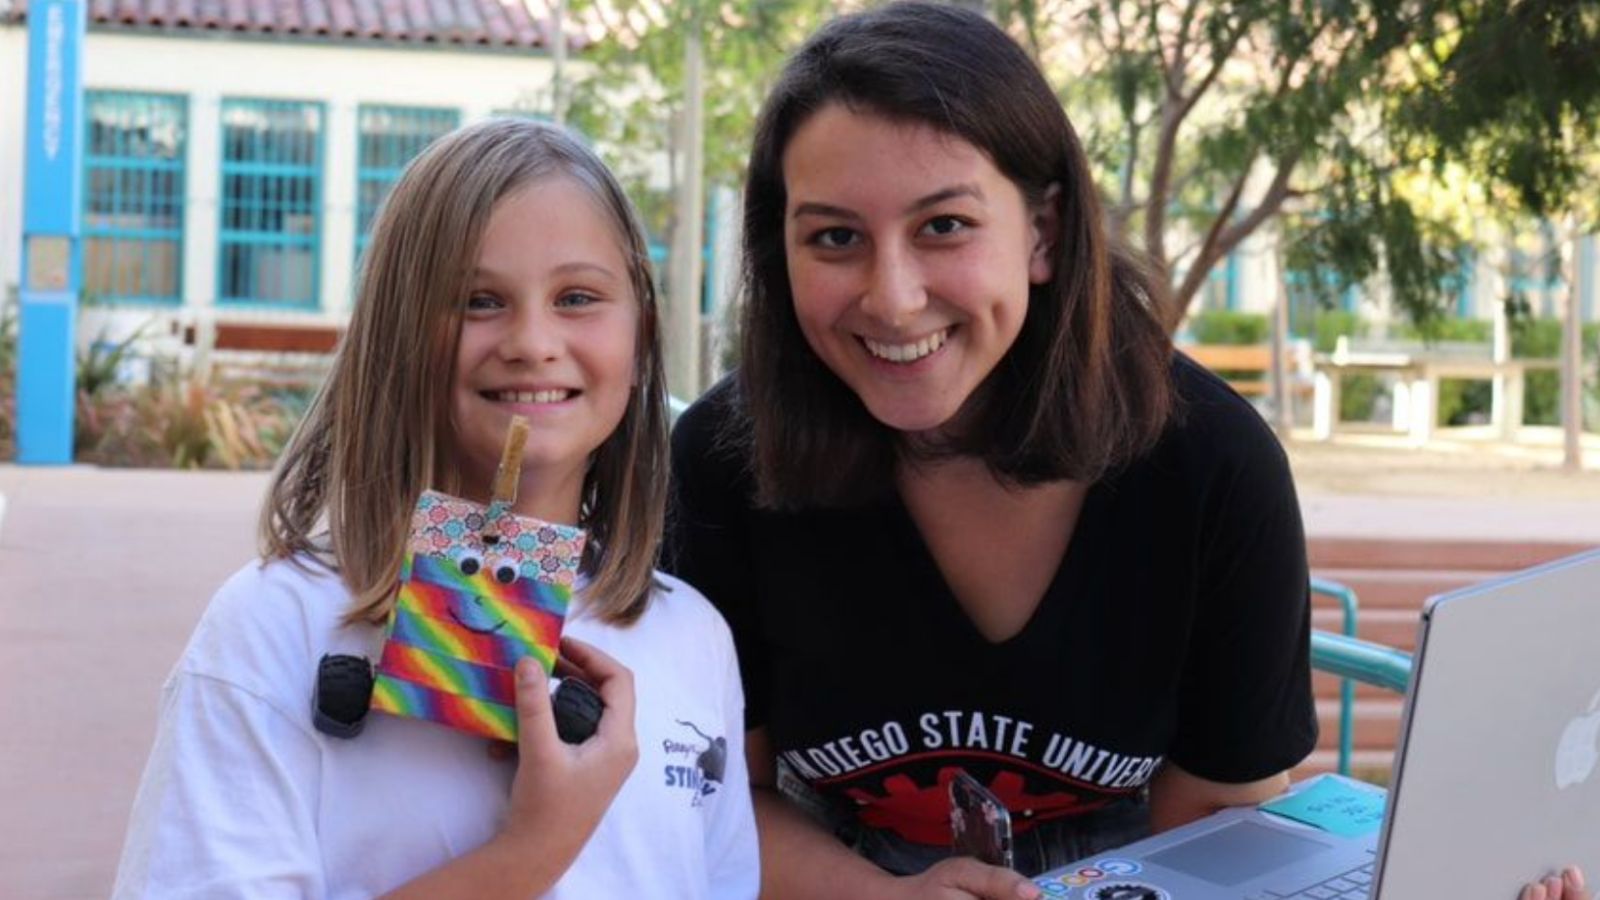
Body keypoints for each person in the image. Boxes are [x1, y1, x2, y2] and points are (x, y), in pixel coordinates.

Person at [663, 4, 1589, 900]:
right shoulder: (722, 461)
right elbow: (713, 803)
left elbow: (1217, 829)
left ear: (1044, 232)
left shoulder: (1212, 465)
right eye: (835, 238)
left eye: (944, 226)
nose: (894, 298)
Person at [112, 119, 757, 899]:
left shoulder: (691, 636)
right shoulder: (275, 625)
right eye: (478, 300)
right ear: (397, 333)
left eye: (578, 297)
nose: (531, 340)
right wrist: (530, 852)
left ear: (641, 329)